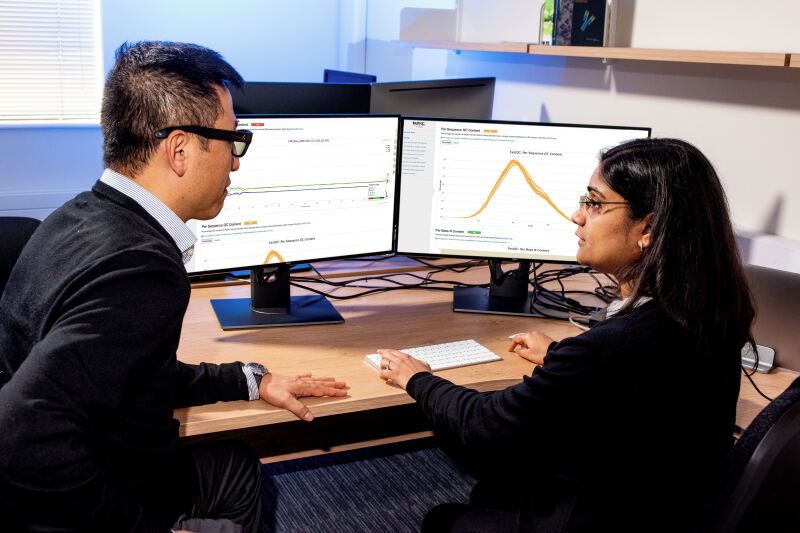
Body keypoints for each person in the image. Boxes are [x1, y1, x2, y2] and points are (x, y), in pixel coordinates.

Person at [0, 41, 347, 533]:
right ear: (180, 149)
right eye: (233, 140)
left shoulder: (74, 216)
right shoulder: (142, 269)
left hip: (84, 474)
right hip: (104, 495)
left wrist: (249, 379)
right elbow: (19, 437)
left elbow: (126, 369)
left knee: (236, 466)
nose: (236, 162)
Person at [376, 138, 755, 532]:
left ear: (649, 227)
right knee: (496, 491)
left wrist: (417, 378)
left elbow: (484, 425)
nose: (577, 216)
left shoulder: (612, 346)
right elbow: (639, 379)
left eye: (595, 203)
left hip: (594, 519)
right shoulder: (710, 310)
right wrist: (561, 354)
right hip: (666, 509)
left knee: (443, 519)